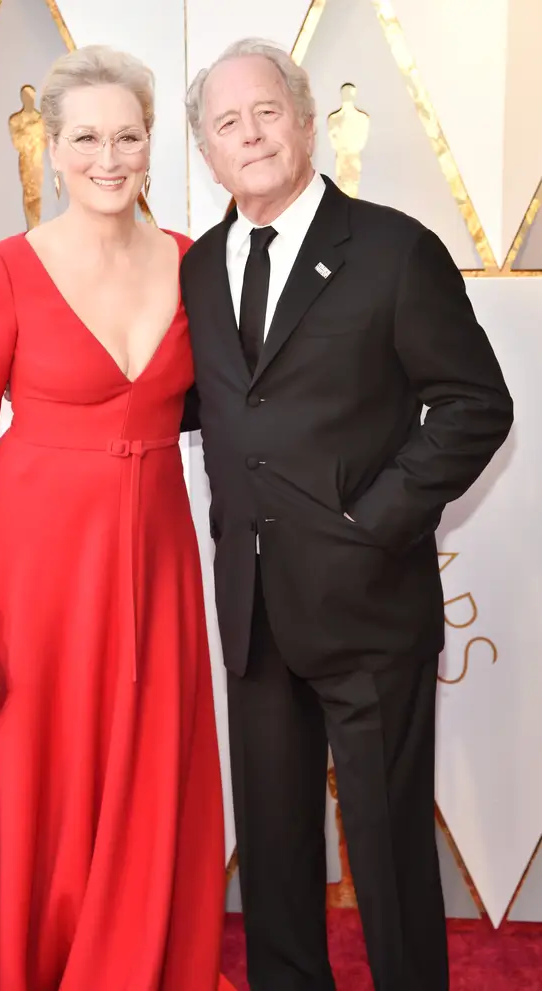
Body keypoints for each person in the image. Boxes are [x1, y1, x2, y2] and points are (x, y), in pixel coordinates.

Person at [181, 38, 514, 991]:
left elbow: (476, 405)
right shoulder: (200, 270)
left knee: (386, 849)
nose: (250, 136)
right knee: (278, 855)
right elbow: (205, 406)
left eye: (266, 112)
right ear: (207, 153)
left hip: (369, 607)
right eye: (226, 124)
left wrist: (373, 524)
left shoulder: (394, 248)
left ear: (307, 118)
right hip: (253, 608)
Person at [0, 45, 226, 991]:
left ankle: (129, 960)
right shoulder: (7, 269)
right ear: (52, 149)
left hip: (156, 548)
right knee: (30, 767)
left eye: (128, 135)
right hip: (36, 555)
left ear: (152, 145)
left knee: (144, 755)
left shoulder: (191, 265)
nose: (109, 157)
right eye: (86, 136)